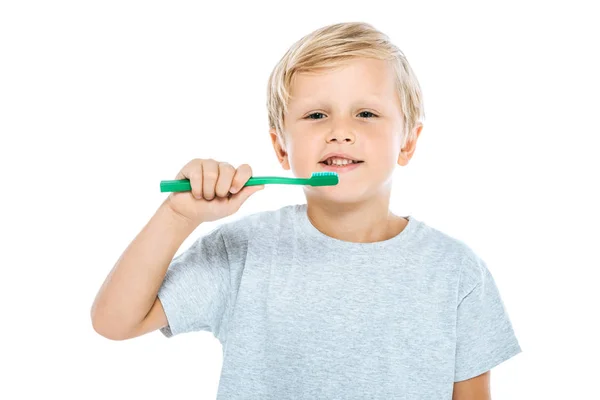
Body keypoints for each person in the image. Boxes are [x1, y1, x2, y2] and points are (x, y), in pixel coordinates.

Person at [91, 21, 521, 399]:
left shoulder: (456, 270)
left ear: (408, 141)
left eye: (366, 113)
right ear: (281, 147)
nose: (340, 132)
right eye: (316, 114)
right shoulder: (243, 251)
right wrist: (178, 217)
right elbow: (114, 321)